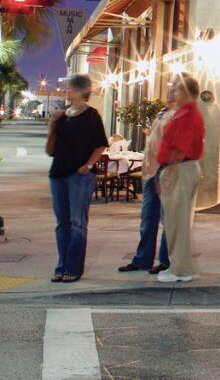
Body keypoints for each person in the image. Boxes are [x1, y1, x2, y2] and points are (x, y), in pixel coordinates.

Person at [45, 74, 108, 283]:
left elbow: (100, 144)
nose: (66, 90)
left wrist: (88, 165)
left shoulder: (92, 115)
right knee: (62, 223)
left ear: (81, 90)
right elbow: (50, 150)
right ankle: (61, 266)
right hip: (58, 173)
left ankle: (73, 268)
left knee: (77, 223)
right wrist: (53, 124)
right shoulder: (62, 115)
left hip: (79, 176)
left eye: (69, 87)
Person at [157, 73, 206, 283]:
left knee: (177, 222)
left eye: (176, 88)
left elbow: (179, 147)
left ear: (185, 91)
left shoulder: (188, 115)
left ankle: (181, 270)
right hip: (181, 168)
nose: (172, 92)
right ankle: (181, 266)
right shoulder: (185, 113)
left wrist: (170, 174)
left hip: (180, 168)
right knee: (177, 221)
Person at [119, 104, 171, 274]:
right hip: (151, 173)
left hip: (165, 173)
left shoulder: (180, 115)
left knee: (167, 220)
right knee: (147, 219)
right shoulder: (162, 113)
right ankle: (143, 259)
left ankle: (165, 261)